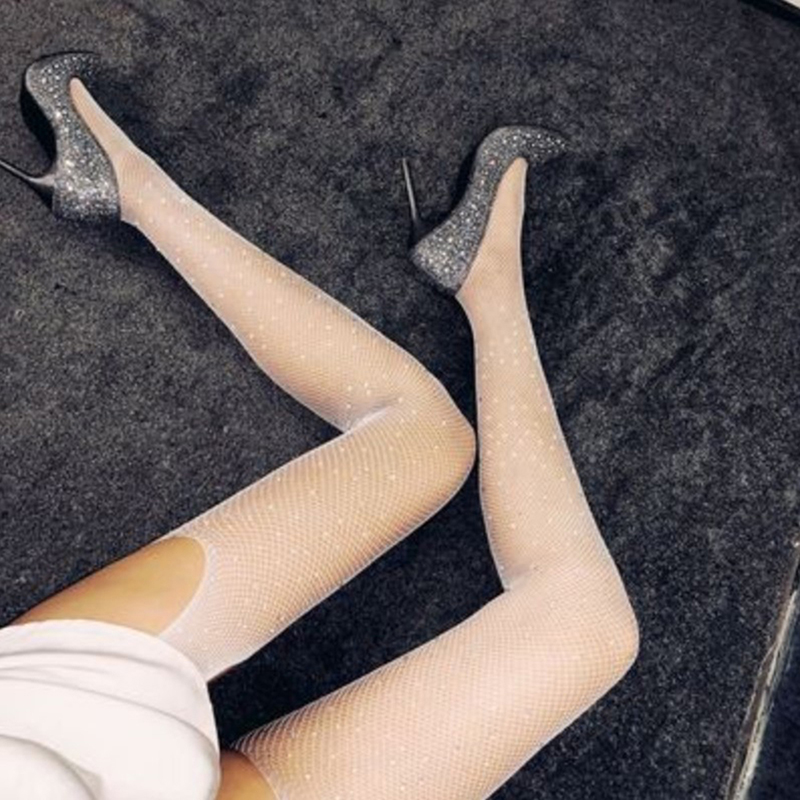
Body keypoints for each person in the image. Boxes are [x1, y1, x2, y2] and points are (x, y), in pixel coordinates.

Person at [0, 51, 640, 800]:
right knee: (586, 627)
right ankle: (485, 279)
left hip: (70, 727)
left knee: (428, 442)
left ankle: (130, 182)